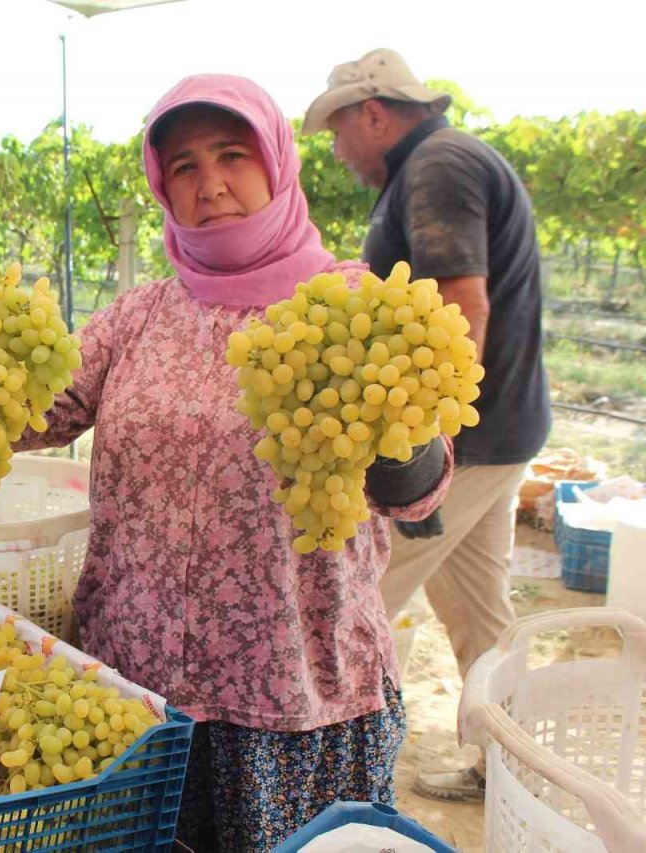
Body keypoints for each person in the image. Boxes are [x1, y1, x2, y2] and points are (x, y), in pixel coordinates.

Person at [0, 75, 453, 851]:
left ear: (276, 163)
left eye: (232, 154)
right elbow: (28, 414)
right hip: (137, 694)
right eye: (183, 165)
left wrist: (403, 448)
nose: (210, 183)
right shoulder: (141, 314)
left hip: (293, 700)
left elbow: (420, 491)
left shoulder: (348, 307)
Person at [304, 48, 551, 803]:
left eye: (339, 131)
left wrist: (428, 446)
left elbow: (459, 305)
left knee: (359, 595)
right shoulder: (440, 161)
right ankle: (508, 770)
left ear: (373, 113)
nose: (339, 152)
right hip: (501, 428)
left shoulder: (437, 166)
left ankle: (327, 778)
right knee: (482, 610)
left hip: (464, 445)